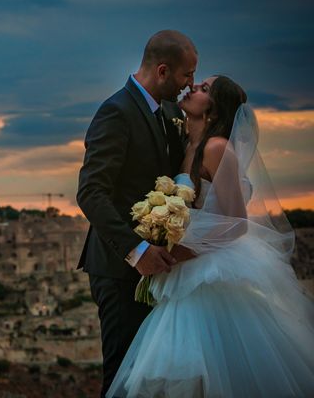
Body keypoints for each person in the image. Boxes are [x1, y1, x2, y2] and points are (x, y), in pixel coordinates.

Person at [107, 75, 314, 397]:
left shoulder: (217, 148)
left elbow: (236, 222)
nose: (193, 88)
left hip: (207, 266)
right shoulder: (187, 145)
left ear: (214, 112)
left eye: (204, 89)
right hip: (184, 263)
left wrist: (179, 252)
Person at [76, 30, 197, 397]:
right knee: (124, 377)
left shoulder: (174, 113)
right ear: (162, 71)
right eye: (185, 75)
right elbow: (91, 193)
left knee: (154, 378)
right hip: (117, 269)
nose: (189, 85)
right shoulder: (116, 112)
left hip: (161, 268)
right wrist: (137, 251)